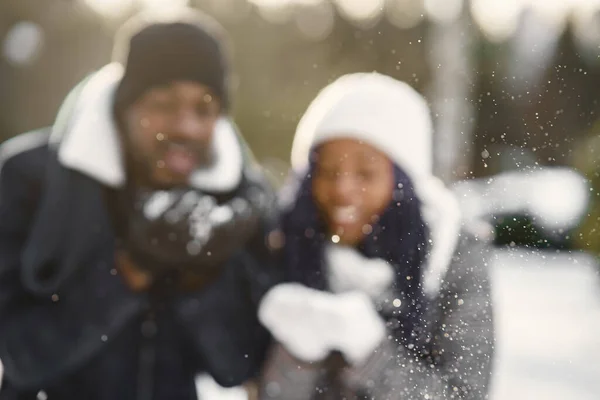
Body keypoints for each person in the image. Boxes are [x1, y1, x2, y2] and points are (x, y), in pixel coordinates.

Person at [0, 8, 279, 400]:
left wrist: (201, 271)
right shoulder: (29, 180)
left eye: (204, 109)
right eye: (163, 103)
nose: (186, 126)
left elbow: (237, 367)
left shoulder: (235, 203)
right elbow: (20, 357)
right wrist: (131, 268)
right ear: (123, 106)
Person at [256, 73, 495, 399]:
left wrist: (371, 351)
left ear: (404, 182)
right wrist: (297, 354)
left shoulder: (453, 257)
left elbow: (464, 393)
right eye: (327, 171)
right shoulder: (288, 243)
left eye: (365, 173)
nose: (342, 189)